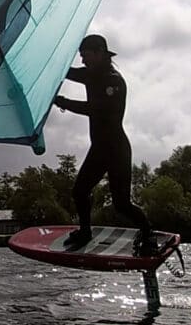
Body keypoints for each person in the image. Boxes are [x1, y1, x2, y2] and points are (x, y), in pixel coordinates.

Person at [53, 34, 155, 254]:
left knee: (121, 204)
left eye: (86, 55)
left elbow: (96, 109)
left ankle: (148, 233)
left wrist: (63, 102)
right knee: (80, 191)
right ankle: (85, 232)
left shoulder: (113, 80)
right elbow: (65, 71)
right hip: (100, 148)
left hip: (115, 149)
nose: (83, 60)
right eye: (81, 56)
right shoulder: (91, 75)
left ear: (100, 53)